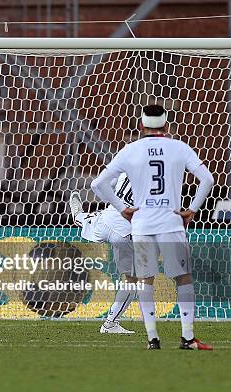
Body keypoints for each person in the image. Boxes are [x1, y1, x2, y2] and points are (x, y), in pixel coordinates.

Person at [91, 104, 214, 350]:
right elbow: (208, 179)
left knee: (145, 279)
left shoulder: (130, 150)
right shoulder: (179, 148)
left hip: (143, 224)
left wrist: (121, 207)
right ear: (166, 125)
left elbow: (98, 184)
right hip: (171, 223)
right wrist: (192, 209)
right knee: (183, 278)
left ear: (141, 125)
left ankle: (152, 339)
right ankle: (187, 338)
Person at [69, 172, 139, 334]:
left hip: (105, 221)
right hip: (124, 233)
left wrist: (112, 202)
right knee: (131, 280)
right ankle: (110, 323)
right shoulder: (159, 181)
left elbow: (95, 185)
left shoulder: (127, 168)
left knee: (90, 221)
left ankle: (80, 217)